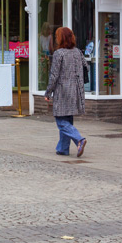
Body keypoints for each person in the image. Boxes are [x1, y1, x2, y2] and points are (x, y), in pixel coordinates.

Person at [44, 27, 88, 157]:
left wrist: (48, 92)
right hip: (76, 89)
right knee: (68, 118)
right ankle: (63, 148)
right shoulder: (78, 52)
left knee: (61, 120)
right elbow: (86, 67)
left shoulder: (59, 53)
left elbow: (54, 75)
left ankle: (79, 139)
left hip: (62, 90)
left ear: (60, 38)